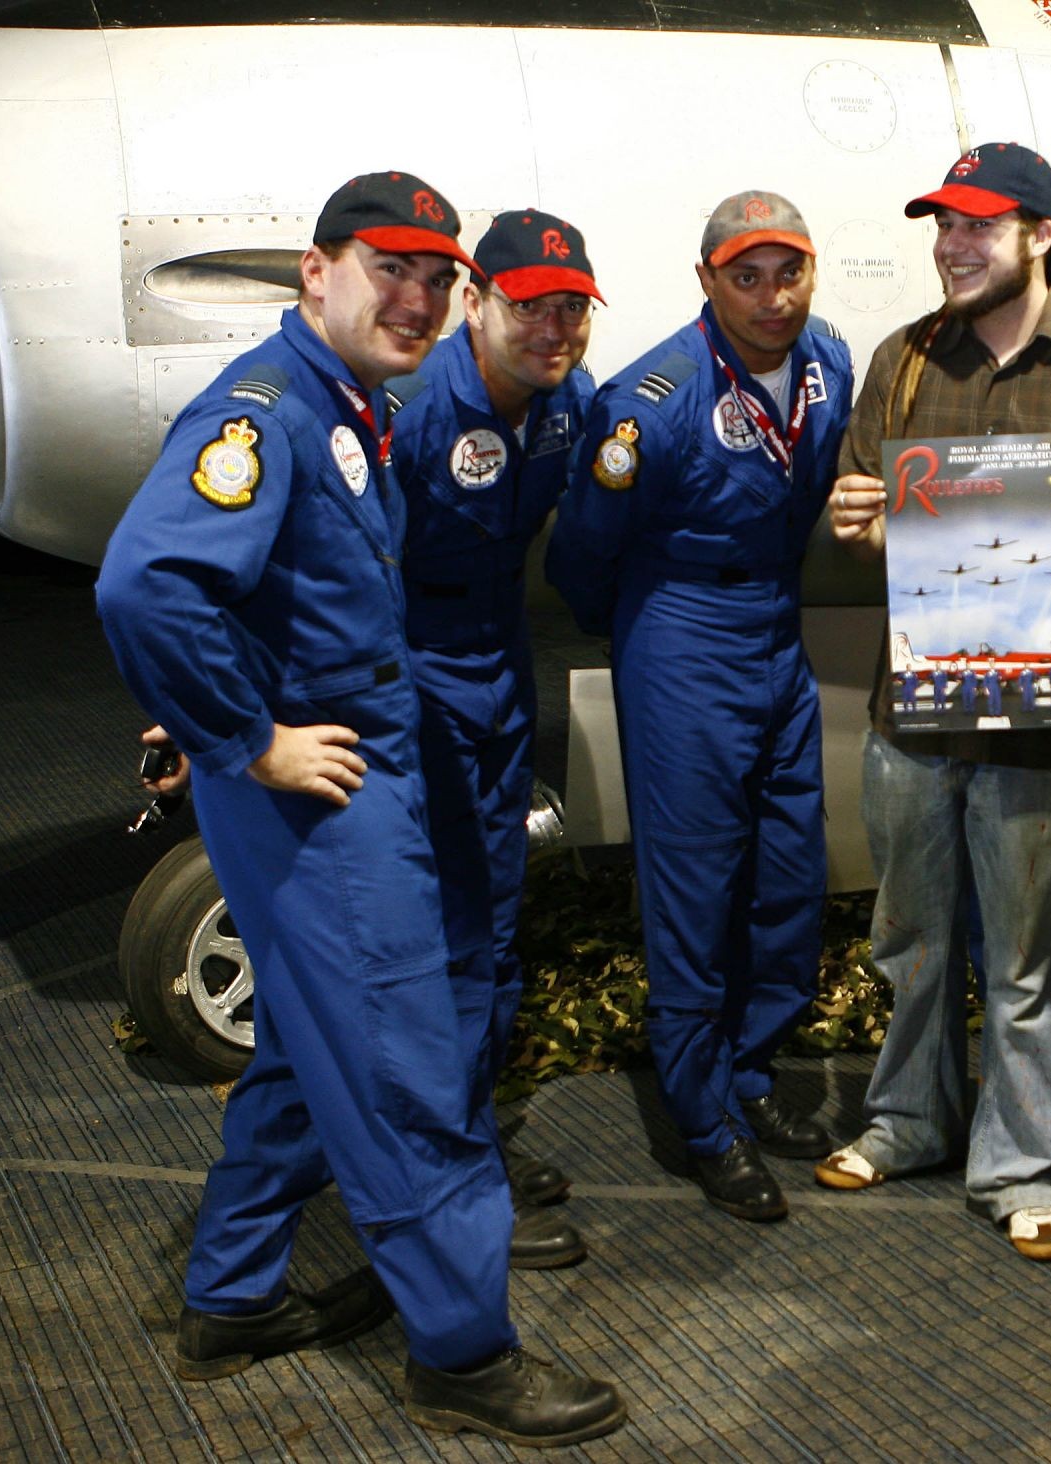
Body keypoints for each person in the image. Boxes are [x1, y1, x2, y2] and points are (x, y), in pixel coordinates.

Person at [97, 171, 624, 1447]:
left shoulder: (348, 407)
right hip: (328, 803)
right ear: (314, 274)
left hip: (339, 776)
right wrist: (248, 741)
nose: (421, 296)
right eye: (391, 268)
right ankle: (461, 1352)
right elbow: (148, 587)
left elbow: (259, 594)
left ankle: (229, 1296)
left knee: (303, 1047)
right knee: (407, 1067)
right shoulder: (268, 414)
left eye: (437, 276)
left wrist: (224, 717)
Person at [817, 142, 1051, 1262]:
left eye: (979, 226)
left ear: (1039, 236)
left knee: (1025, 963)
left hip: (1048, 725)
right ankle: (908, 1123)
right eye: (943, 225)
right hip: (917, 713)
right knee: (912, 939)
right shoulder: (897, 363)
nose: (953, 244)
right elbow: (869, 535)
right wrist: (859, 525)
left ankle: (1020, 1162)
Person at [546, 190, 853, 1223]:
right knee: (694, 886)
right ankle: (703, 1120)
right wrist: (644, 641)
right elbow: (584, 552)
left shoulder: (830, 367)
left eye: (789, 272)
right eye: (745, 276)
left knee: (786, 871)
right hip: (679, 631)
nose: (772, 298)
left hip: (777, 625)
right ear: (706, 280)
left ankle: (750, 1074)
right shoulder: (651, 401)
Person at [385, 208, 601, 1271]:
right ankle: (436, 1176)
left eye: (571, 308)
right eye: (530, 306)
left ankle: (465, 1141)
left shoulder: (570, 405)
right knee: (435, 927)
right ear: (476, 304)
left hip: (498, 660)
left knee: (495, 912)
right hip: (408, 667)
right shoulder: (416, 411)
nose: (553, 329)